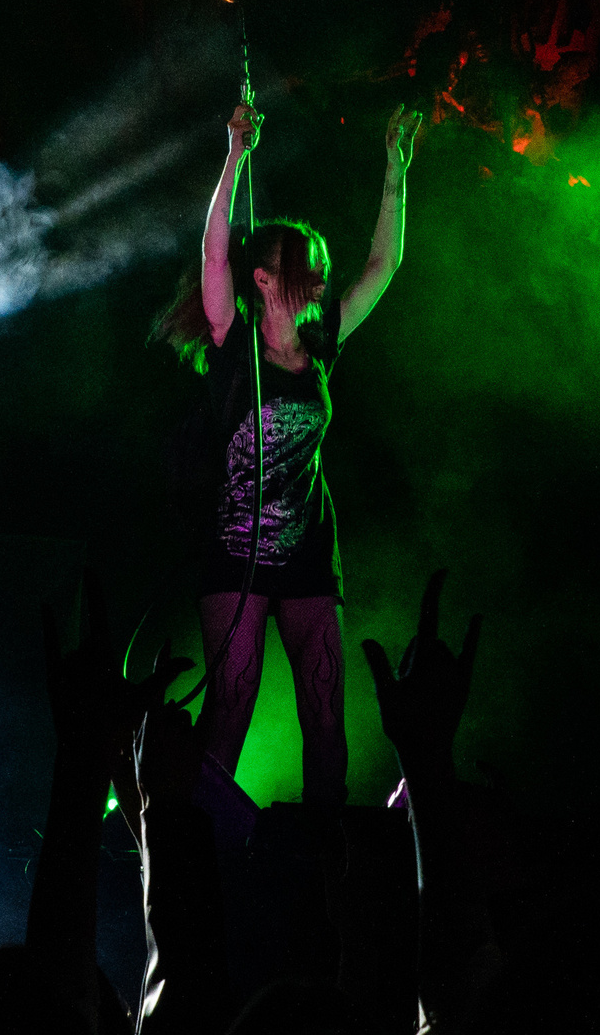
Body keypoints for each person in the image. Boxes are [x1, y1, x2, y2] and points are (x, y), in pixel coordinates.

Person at [151, 100, 418, 809]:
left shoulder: (324, 343)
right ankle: (195, 854)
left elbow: (383, 263)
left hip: (305, 557)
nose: (324, 278)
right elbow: (216, 252)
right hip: (234, 556)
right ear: (264, 279)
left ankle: (326, 865)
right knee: (229, 713)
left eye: (324, 267)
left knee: (326, 720)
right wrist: (235, 156)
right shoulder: (231, 342)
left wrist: (395, 170)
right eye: (309, 267)